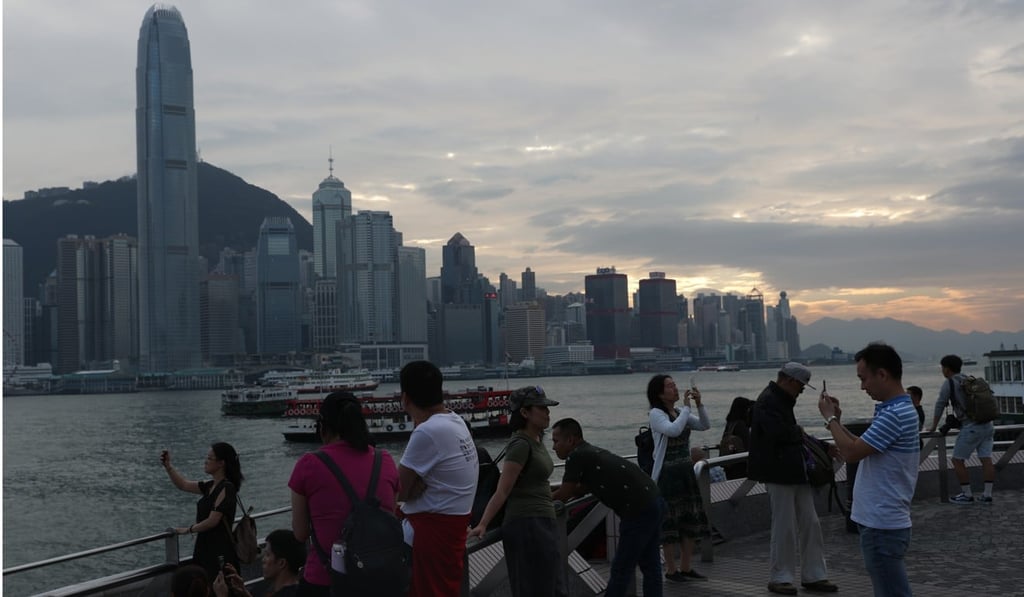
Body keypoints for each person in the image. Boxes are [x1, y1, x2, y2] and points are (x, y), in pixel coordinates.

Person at [819, 343, 919, 597]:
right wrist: (838, 423)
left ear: (882, 374)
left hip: (881, 523)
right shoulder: (899, 410)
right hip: (884, 521)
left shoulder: (894, 414)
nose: (862, 387)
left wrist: (830, 420)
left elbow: (851, 453)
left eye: (864, 379)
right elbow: (861, 447)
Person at [289, 391, 400, 597]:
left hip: (326, 581)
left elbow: (300, 533)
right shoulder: (384, 459)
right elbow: (390, 513)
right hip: (380, 578)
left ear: (322, 426)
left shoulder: (308, 464)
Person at [748, 363, 837, 595]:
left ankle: (813, 575)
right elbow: (780, 434)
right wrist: (799, 432)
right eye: (801, 385)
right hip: (779, 472)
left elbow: (788, 433)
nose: (802, 390)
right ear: (789, 380)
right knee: (785, 525)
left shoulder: (777, 399)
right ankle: (782, 576)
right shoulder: (769, 401)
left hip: (792, 470)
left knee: (809, 523)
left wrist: (816, 442)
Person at [551, 418, 664, 597]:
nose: (553, 447)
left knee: (621, 567)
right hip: (653, 499)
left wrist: (542, 499)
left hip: (637, 510)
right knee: (650, 565)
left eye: (556, 441)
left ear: (571, 440)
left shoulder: (576, 456)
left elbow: (565, 494)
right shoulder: (589, 451)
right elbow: (582, 488)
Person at [468, 386, 563, 597]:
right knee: (533, 588)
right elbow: (502, 490)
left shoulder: (537, 440)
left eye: (547, 408)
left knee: (552, 586)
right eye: (542, 408)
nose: (548, 413)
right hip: (527, 524)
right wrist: (483, 523)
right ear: (524, 413)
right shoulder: (520, 444)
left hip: (543, 521)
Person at [397, 360, 479, 597]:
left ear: (405, 398)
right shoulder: (455, 421)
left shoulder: (428, 431)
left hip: (424, 540)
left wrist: (410, 489)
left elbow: (398, 490)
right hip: (450, 536)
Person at [645, 374, 710, 582]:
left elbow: (704, 425)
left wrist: (699, 404)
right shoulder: (656, 414)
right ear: (660, 393)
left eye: (674, 385)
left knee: (689, 518)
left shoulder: (681, 412)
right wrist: (687, 409)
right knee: (669, 522)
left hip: (685, 472)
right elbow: (672, 431)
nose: (675, 389)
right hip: (667, 474)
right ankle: (671, 569)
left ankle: (686, 566)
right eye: (670, 386)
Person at [161, 443, 244, 581]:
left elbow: (212, 521)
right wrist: (168, 467)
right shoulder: (210, 486)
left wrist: (188, 530)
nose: (205, 461)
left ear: (221, 463)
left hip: (219, 550)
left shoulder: (227, 488)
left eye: (210, 458)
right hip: (205, 547)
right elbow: (183, 484)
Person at [927, 354, 996, 504]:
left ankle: (967, 495)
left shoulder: (950, 383)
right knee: (986, 459)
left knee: (957, 460)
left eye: (942, 368)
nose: (942, 371)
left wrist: (933, 426)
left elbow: (940, 404)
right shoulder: (970, 379)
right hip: (988, 425)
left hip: (971, 427)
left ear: (946, 369)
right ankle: (987, 495)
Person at [214, 529, 305, 597]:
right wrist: (244, 592)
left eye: (267, 555)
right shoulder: (300, 590)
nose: (263, 560)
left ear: (281, 563)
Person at [720, 396, 754, 479]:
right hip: (741, 467)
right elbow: (748, 446)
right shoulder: (741, 425)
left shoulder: (730, 423)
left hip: (730, 465)